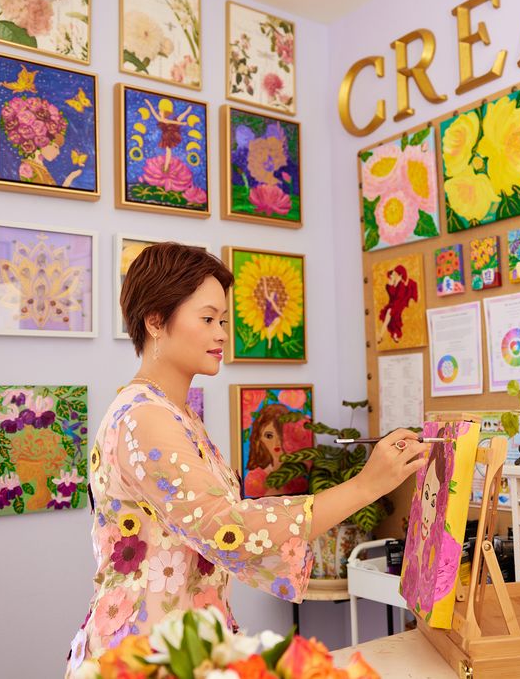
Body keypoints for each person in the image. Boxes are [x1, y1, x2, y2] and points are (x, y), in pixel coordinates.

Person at [65, 243, 428, 674]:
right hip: (150, 652)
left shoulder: (171, 412)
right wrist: (365, 486)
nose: (221, 333)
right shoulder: (145, 416)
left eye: (222, 320)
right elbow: (226, 527)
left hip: (181, 640)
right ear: (156, 320)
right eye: (207, 319)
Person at [376, 264, 418, 345]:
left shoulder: (401, 285)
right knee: (390, 318)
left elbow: (399, 297)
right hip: (393, 304)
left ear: (400, 275)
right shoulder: (393, 282)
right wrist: (390, 284)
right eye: (393, 273)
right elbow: (391, 295)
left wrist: (392, 286)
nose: (394, 274)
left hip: (398, 304)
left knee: (389, 315)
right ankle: (393, 335)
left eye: (395, 273)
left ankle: (381, 335)